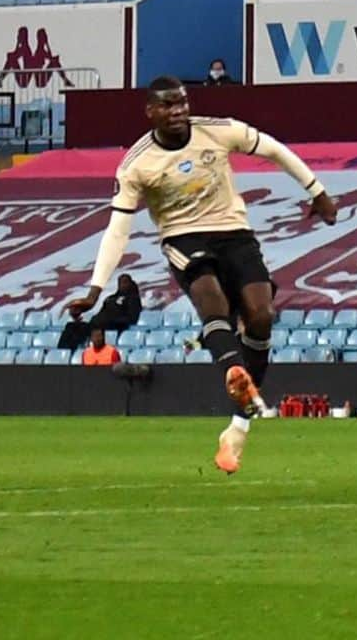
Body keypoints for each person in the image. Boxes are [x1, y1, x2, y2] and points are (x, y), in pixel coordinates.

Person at [66, 75, 337, 474]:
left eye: (182, 103)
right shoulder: (138, 164)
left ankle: (237, 427)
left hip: (234, 232)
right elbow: (118, 227)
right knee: (214, 301)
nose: (178, 112)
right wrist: (96, 287)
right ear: (151, 112)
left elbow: (275, 150)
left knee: (261, 316)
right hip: (184, 238)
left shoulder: (218, 130)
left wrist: (317, 190)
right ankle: (232, 369)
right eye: (168, 106)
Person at [58, 272, 142, 350]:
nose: (122, 285)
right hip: (96, 324)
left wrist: (114, 321)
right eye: (120, 282)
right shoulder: (111, 298)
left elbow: (132, 318)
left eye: (125, 282)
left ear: (130, 283)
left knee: (79, 333)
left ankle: (71, 350)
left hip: (110, 326)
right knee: (71, 326)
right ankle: (61, 351)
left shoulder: (132, 299)